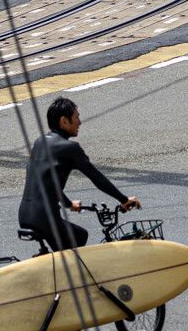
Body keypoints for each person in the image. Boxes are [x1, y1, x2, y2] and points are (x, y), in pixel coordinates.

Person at [18, 96, 141, 253]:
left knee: (64, 253)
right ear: (64, 122)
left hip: (25, 214)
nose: (80, 122)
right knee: (79, 236)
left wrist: (68, 204)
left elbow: (49, 184)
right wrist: (124, 200)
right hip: (45, 218)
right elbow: (97, 179)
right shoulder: (70, 148)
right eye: (76, 117)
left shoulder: (40, 142)